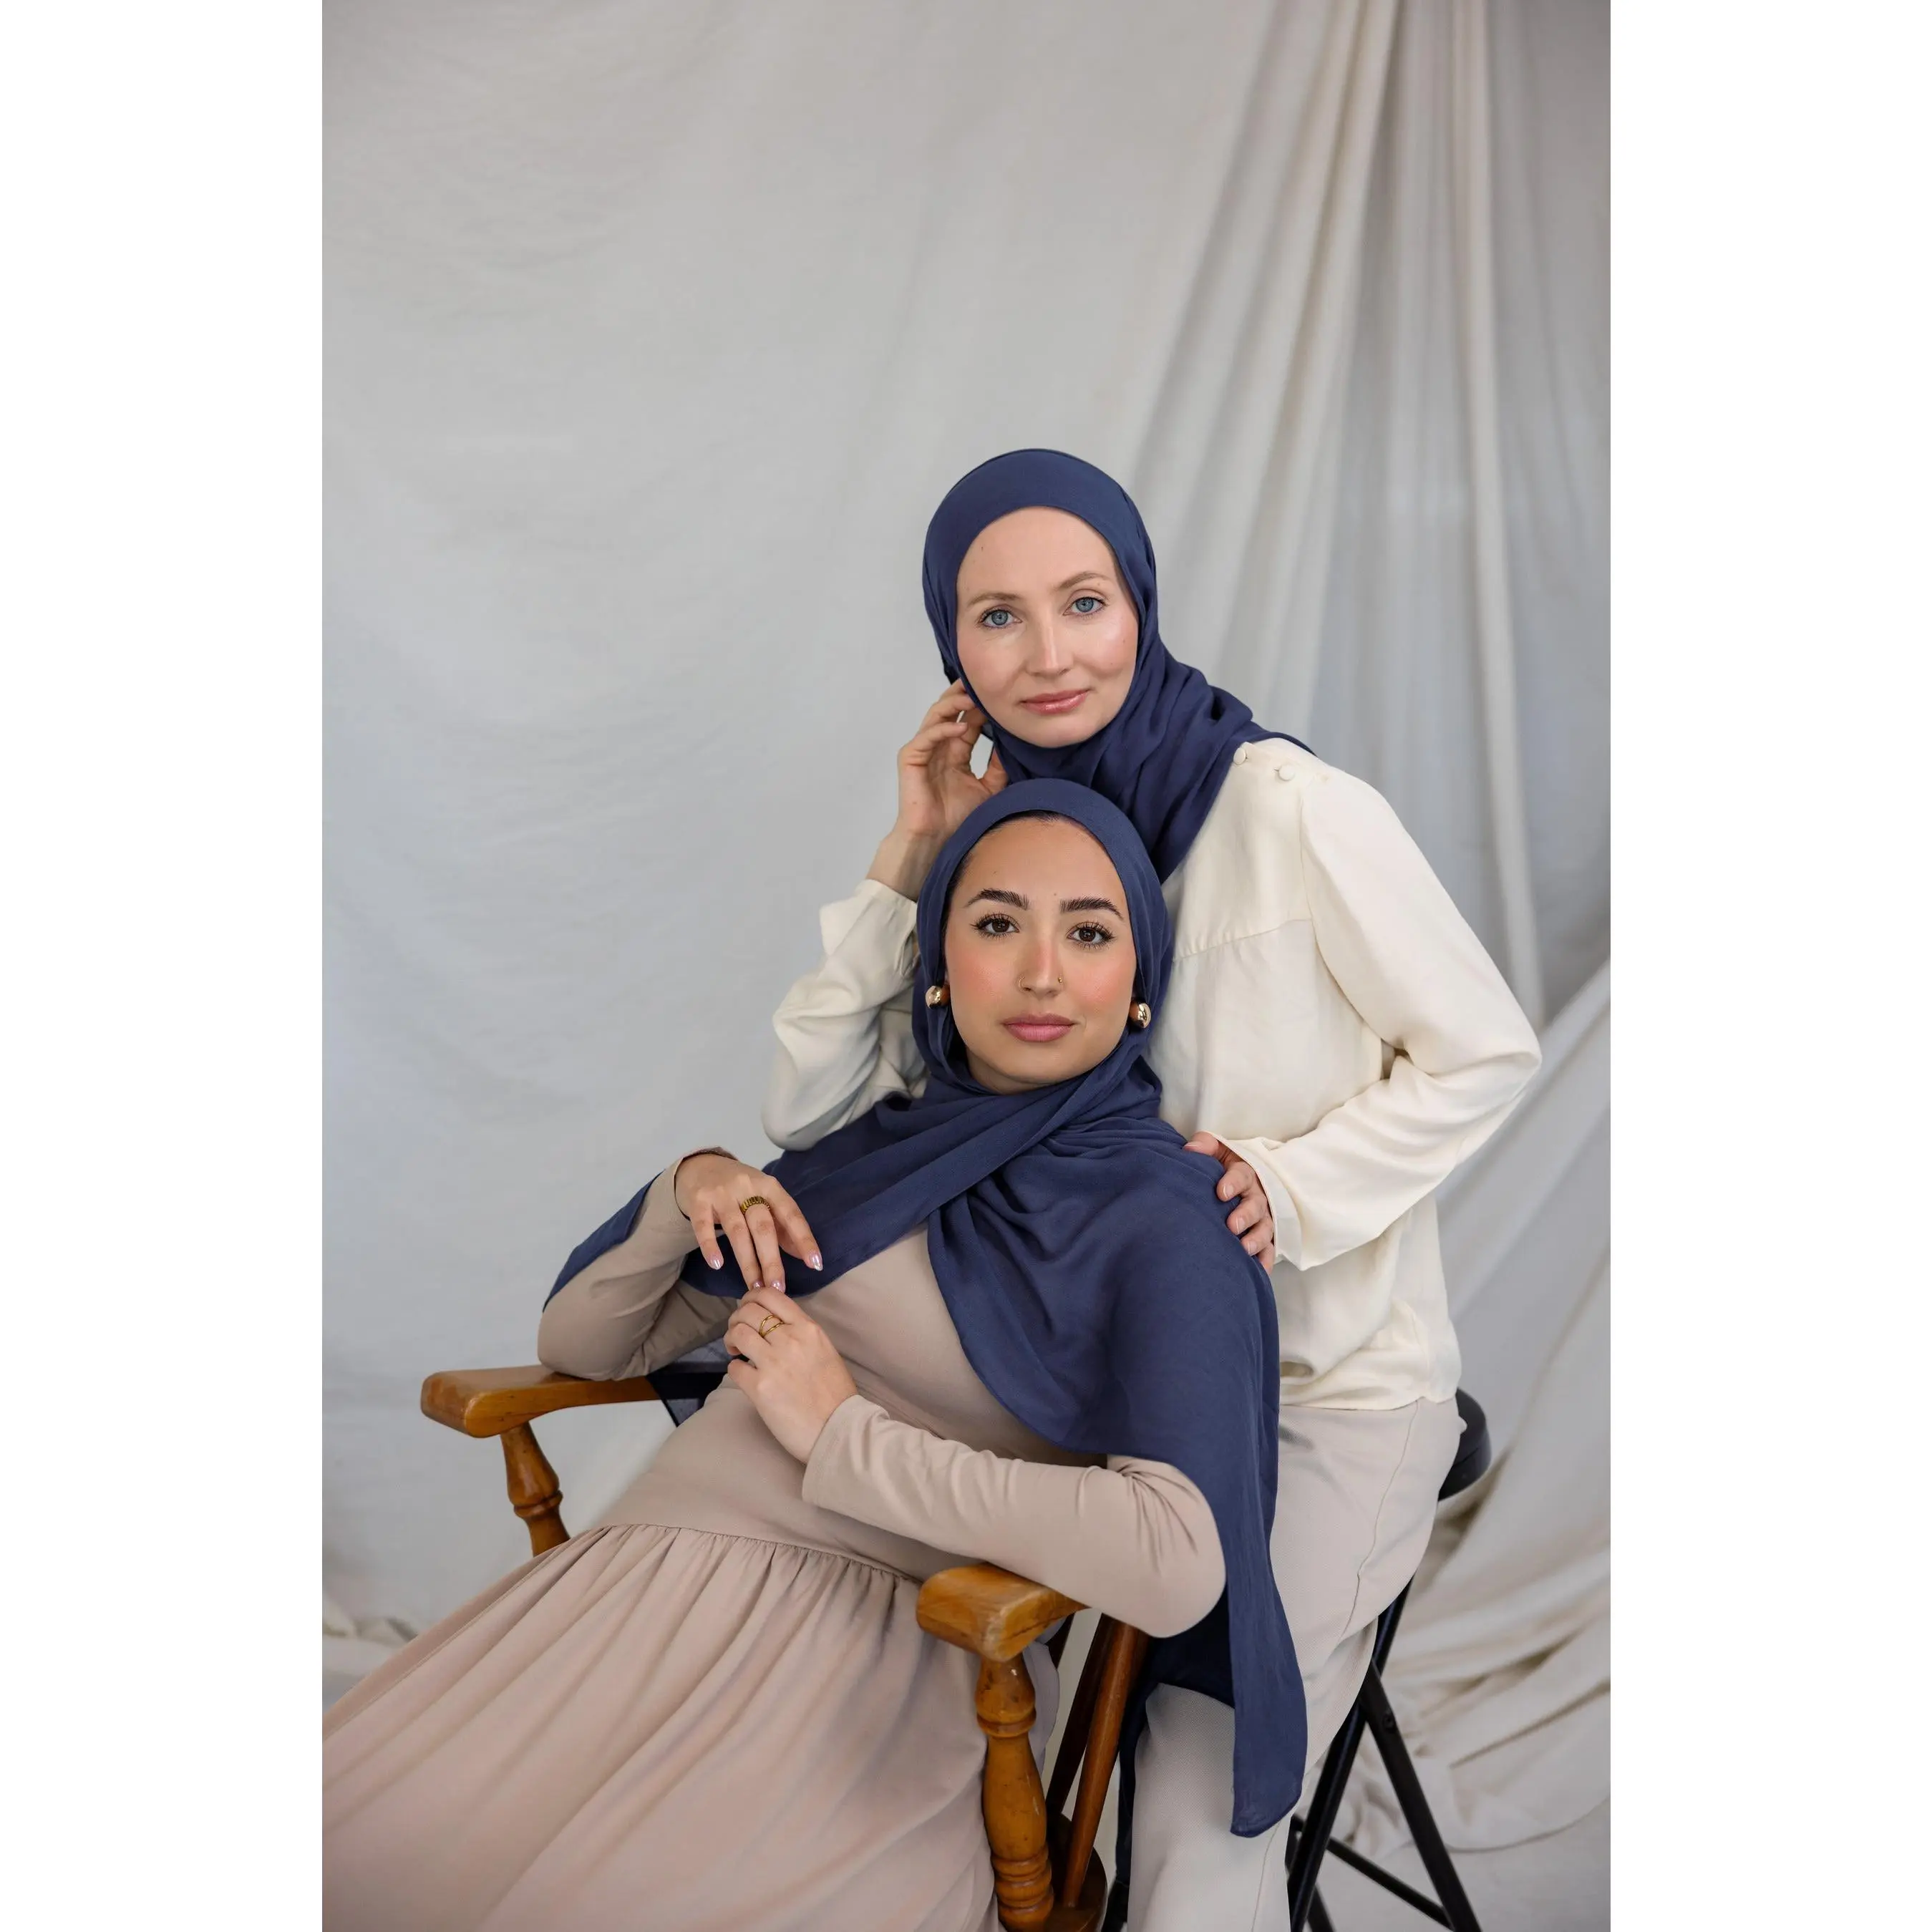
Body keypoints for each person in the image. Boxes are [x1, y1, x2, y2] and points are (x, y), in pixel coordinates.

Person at [762, 449, 1544, 1930]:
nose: (1047, 654)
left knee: (1188, 1829)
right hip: (1093, 1398)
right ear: (951, 646)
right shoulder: (1013, 846)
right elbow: (814, 1108)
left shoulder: (1290, 810)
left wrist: (1286, 1185)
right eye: (997, 617)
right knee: (955, 1789)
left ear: (1140, 601)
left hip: (1321, 1394)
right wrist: (909, 852)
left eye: (1083, 602)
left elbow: (1483, 1046)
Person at [324, 782, 1298, 1932]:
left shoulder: (1168, 1211)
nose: (1041, 972)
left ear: (1140, 983)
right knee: (350, 1852)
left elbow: (1176, 1558)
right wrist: (689, 1185)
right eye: (997, 923)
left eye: (1088, 933)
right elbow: (583, 1342)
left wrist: (843, 1437)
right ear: (937, 967)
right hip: (625, 1595)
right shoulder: (869, 1153)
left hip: (866, 1659)